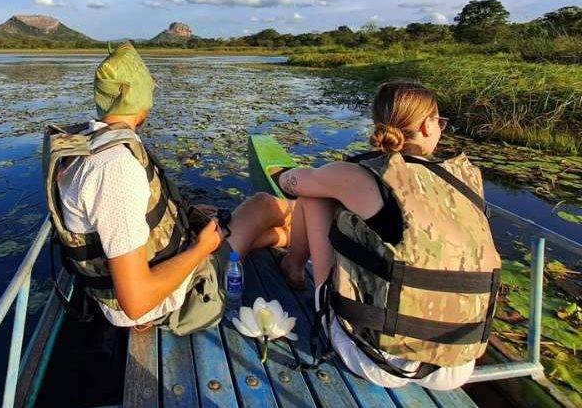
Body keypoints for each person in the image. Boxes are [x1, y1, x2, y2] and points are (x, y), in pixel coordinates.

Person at [44, 42, 292, 334]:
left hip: (149, 272)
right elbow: (136, 302)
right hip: (170, 303)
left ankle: (284, 244)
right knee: (266, 204)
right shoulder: (115, 167)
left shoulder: (91, 143)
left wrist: (180, 214)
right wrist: (202, 249)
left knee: (272, 229)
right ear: (143, 99)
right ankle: (297, 268)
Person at [275, 80, 501, 390]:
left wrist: (290, 176)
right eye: (440, 121)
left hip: (378, 362)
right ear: (425, 125)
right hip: (459, 363)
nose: (441, 128)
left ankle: (294, 266)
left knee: (314, 196)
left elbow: (294, 182)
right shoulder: (466, 179)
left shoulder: (359, 174)